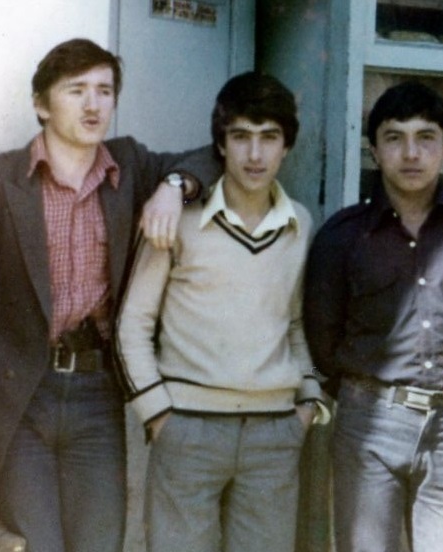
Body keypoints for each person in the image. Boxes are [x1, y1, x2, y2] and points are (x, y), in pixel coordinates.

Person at [0, 38, 220, 552]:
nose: (92, 104)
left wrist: (174, 186)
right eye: (76, 90)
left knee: (100, 542)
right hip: (21, 394)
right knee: (36, 543)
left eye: (104, 91)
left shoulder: (131, 166)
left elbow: (212, 156)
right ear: (41, 104)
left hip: (97, 394)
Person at [115, 72, 327, 552]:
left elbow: (296, 324)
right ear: (221, 144)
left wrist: (309, 398)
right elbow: (133, 323)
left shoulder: (299, 223)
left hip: (274, 433)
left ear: (287, 146)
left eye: (269, 137)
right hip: (187, 427)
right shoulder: (178, 218)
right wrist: (157, 414)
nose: (255, 154)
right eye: (241, 137)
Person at [304, 81, 443, 552]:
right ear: (374, 151)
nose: (411, 153)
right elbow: (323, 337)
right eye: (394, 138)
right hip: (368, 425)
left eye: (425, 137)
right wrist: (367, 397)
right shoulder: (343, 236)